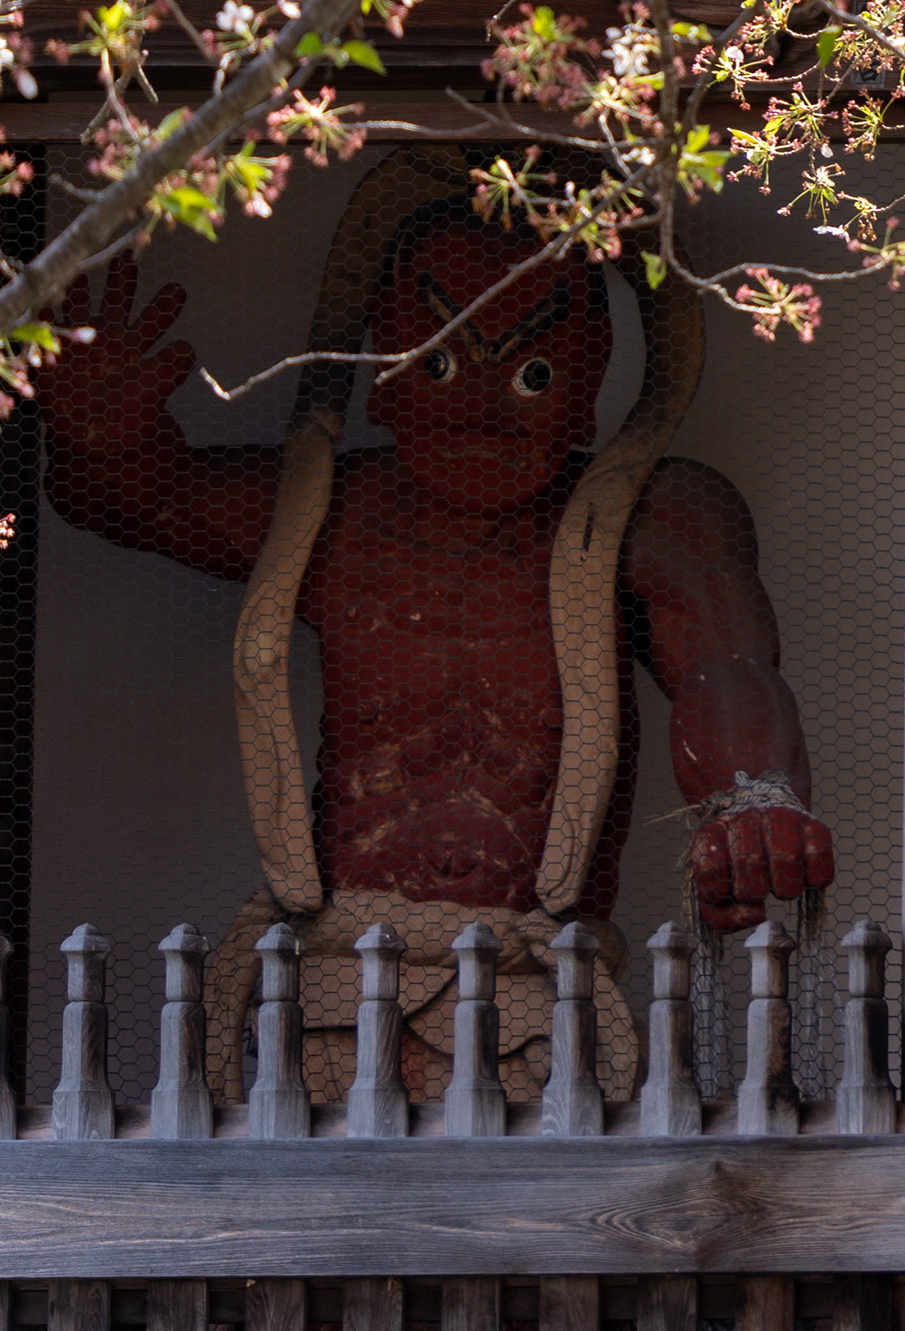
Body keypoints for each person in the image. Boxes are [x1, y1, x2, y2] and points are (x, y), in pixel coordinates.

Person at [33, 213, 832, 1098]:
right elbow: (148, 503)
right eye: (442, 363)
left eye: (532, 375)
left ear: (588, 395)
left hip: (536, 985)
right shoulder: (329, 513)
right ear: (384, 381)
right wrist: (97, 437)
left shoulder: (641, 521)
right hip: (339, 975)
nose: (481, 412)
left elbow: (725, 660)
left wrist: (752, 799)